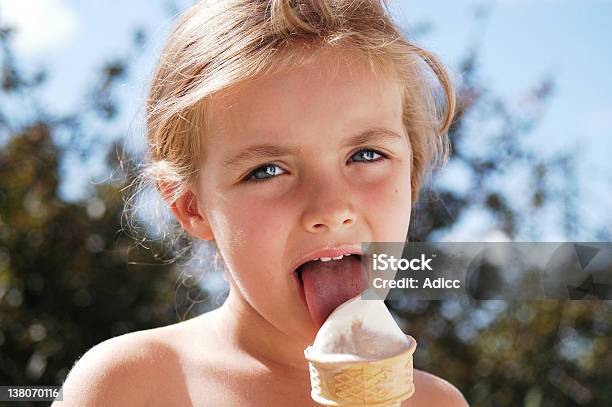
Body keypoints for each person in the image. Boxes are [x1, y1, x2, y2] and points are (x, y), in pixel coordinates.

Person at [55, 0, 468, 405]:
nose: (331, 209)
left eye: (365, 155)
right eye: (268, 170)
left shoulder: (436, 402)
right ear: (190, 205)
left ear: (412, 173)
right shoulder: (130, 386)